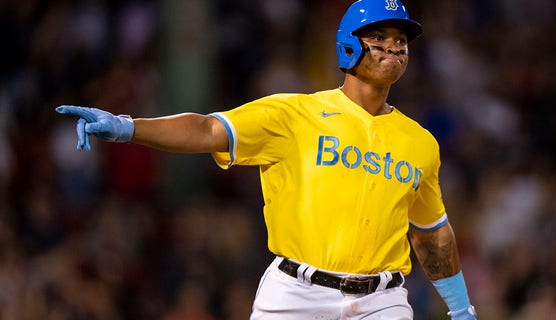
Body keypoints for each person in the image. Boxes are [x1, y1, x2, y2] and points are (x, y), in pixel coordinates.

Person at [56, 0, 477, 319]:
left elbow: (431, 233)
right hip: (296, 293)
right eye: (380, 37)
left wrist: (461, 310)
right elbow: (207, 129)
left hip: (382, 301)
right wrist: (129, 127)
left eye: (400, 40)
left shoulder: (420, 143)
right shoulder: (293, 114)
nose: (393, 47)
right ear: (349, 45)